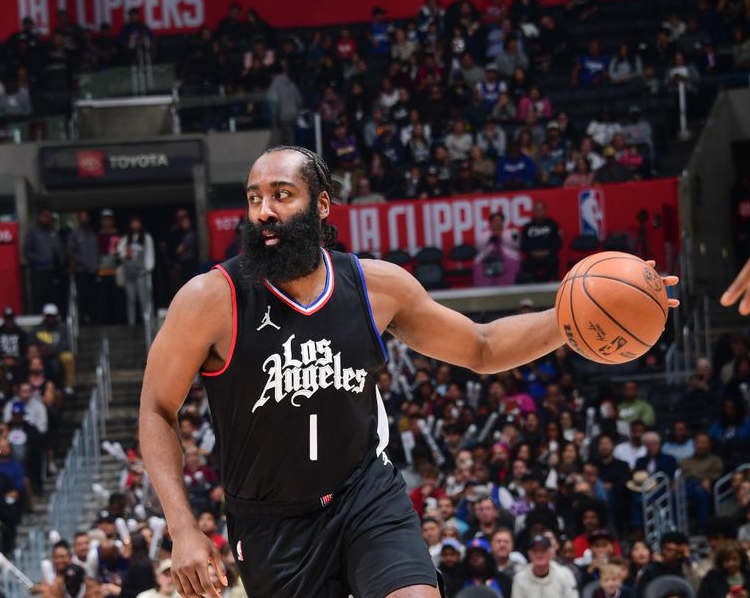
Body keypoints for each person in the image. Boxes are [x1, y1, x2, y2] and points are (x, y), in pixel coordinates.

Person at [138, 145, 678, 598]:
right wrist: (181, 527)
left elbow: (483, 346)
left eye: (282, 194)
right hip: (271, 522)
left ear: (322, 205)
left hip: (363, 493)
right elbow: (157, 409)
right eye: (255, 198)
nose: (263, 211)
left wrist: (570, 317)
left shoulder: (377, 286)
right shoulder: (211, 299)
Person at [117, 216, 155, 327]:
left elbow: (150, 254)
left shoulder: (146, 237)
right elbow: (120, 251)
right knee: (130, 298)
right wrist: (125, 254)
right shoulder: (126, 238)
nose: (135, 226)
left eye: (137, 223)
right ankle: (131, 322)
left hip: (141, 273)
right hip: (129, 273)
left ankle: (146, 321)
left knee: (143, 298)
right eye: (133, 223)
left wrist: (148, 269)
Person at [512, 534, 578, 598]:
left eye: (543, 550)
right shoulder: (520, 578)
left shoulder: (565, 575)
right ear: (529, 554)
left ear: (550, 552)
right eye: (535, 551)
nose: (539, 554)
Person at [24, 207, 63, 314]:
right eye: (45, 216)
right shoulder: (33, 233)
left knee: (54, 296)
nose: (47, 219)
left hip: (53, 271)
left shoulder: (54, 233)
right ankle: (39, 316)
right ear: (40, 217)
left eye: (49, 217)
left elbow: (60, 251)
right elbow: (27, 251)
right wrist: (39, 260)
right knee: (40, 297)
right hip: (39, 271)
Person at [67, 210, 100, 326]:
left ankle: (94, 319)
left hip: (93, 271)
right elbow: (71, 252)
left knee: (94, 297)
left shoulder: (92, 233)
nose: (84, 219)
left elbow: (96, 251)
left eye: (85, 217)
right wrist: (82, 263)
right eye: (81, 217)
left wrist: (96, 265)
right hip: (81, 271)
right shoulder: (74, 234)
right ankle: (83, 321)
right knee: (83, 297)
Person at [519, 201, 562, 282]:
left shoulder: (553, 225)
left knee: (553, 262)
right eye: (537, 210)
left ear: (545, 211)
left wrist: (547, 252)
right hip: (532, 256)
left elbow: (558, 242)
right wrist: (533, 253)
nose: (539, 212)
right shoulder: (527, 227)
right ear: (533, 212)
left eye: (541, 210)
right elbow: (523, 244)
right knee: (527, 264)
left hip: (549, 255)